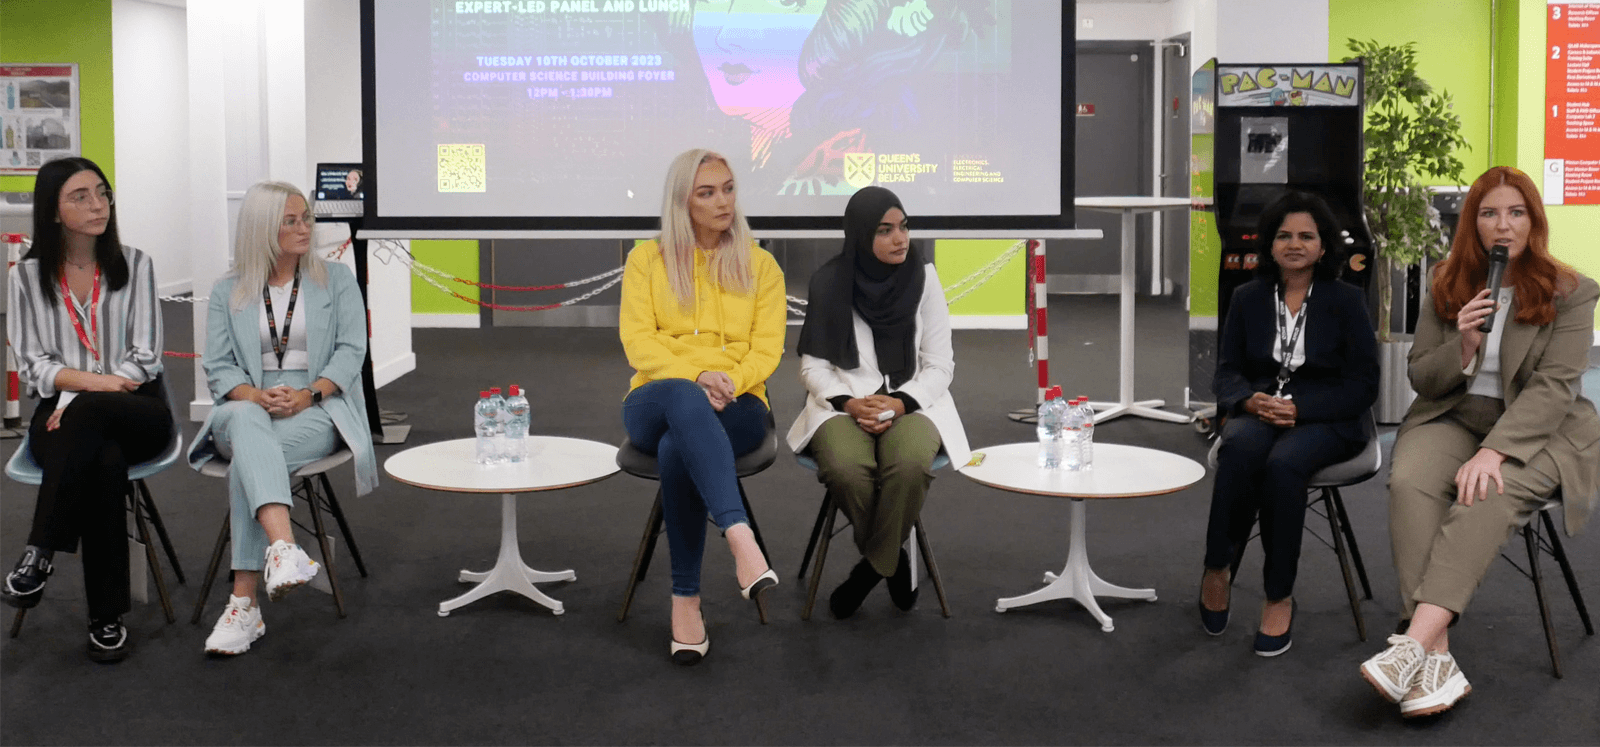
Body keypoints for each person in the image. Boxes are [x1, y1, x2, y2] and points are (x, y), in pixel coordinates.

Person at [1360, 166, 1598, 717]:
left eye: (1516, 212)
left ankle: (1412, 644)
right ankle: (1436, 656)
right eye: (1489, 213)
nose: (1502, 225)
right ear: (1473, 222)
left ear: (1533, 222)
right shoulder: (1449, 279)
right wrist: (1463, 344)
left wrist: (1496, 450)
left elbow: (1555, 389)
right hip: (1455, 413)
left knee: (1483, 493)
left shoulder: (1571, 291)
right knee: (1409, 479)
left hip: (1543, 431)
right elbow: (1422, 375)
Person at [186, 181, 378, 656]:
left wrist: (308, 394)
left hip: (317, 403)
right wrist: (254, 394)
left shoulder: (336, 280)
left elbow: (353, 351)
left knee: (251, 466)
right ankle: (284, 549)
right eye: (290, 221)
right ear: (261, 229)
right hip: (245, 402)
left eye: (307, 218)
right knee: (250, 427)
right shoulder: (228, 290)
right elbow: (218, 365)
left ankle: (244, 603)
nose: (304, 228)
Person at [619, 149, 786, 665]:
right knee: (682, 404)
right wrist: (695, 376)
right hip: (657, 397)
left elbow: (767, 349)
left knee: (678, 450)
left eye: (729, 188)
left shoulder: (761, 265)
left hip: (737, 402)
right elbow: (638, 342)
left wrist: (729, 380)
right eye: (707, 192)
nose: (723, 202)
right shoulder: (646, 260)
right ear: (682, 202)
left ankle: (685, 601)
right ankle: (740, 537)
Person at [1, 157, 169, 662]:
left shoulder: (135, 264)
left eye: (102, 192)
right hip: (62, 417)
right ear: (52, 211)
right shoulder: (27, 277)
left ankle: (40, 554)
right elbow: (33, 364)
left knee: (91, 420)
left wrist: (78, 391)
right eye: (80, 196)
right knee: (102, 462)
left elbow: (145, 359)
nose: (97, 205)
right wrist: (84, 390)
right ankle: (106, 617)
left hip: (137, 410)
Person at [1200, 190, 1379, 656]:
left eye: (1306, 236)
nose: (1294, 244)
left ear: (1324, 247)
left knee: (1284, 466)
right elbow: (1226, 371)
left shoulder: (1347, 300)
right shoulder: (1247, 298)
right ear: (1269, 244)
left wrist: (1300, 408)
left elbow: (1363, 385)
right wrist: (1249, 401)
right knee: (1239, 448)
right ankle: (1218, 566)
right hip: (1261, 409)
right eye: (1283, 235)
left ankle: (1278, 595)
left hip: (1327, 417)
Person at [787, 185, 970, 618]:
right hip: (843, 405)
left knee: (908, 465)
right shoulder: (829, 281)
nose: (900, 239)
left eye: (903, 226)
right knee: (847, 470)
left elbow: (940, 364)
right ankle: (894, 558)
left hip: (915, 402)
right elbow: (813, 369)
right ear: (859, 235)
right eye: (885, 230)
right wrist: (851, 403)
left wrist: (901, 403)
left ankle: (871, 567)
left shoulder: (923, 277)